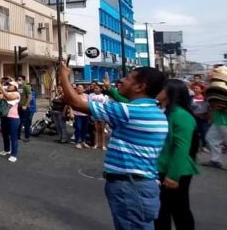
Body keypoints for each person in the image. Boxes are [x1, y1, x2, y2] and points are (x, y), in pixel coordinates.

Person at [58, 61, 168, 230]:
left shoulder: (130, 111)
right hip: (141, 184)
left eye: (128, 78)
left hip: (130, 187)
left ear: (140, 87)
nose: (121, 80)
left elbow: (78, 103)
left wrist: (64, 76)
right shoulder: (153, 111)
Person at [155, 79, 199, 230]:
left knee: (179, 210)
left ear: (169, 92)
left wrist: (173, 175)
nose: (157, 91)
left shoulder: (181, 115)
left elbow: (181, 148)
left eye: (161, 89)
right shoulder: (167, 112)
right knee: (162, 210)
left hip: (175, 170)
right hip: (163, 168)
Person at [0, 78, 21, 162]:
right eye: (8, 84)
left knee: (13, 137)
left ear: (15, 87)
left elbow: (9, 97)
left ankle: (14, 154)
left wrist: (2, 89)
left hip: (13, 118)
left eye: (10, 85)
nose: (8, 86)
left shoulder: (16, 93)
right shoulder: (6, 92)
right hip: (4, 116)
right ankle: (6, 150)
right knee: (5, 135)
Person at [189, 83, 209, 153]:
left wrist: (206, 115)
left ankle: (204, 145)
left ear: (201, 90)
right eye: (194, 88)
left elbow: (209, 108)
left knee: (204, 132)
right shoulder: (191, 98)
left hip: (203, 118)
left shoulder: (205, 98)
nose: (195, 90)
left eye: (197, 88)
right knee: (194, 132)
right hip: (193, 117)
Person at [90, 81, 108, 150]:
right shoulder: (92, 96)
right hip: (95, 114)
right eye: (94, 88)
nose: (95, 89)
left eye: (97, 88)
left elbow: (106, 105)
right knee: (96, 129)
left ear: (101, 89)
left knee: (102, 130)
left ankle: (103, 145)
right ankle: (96, 144)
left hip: (102, 114)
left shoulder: (104, 96)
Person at [71, 85, 90, 149]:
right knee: (78, 128)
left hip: (86, 115)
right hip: (77, 115)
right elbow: (71, 105)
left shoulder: (87, 96)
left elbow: (89, 104)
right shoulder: (75, 96)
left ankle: (83, 141)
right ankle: (77, 142)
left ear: (83, 89)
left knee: (85, 129)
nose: (79, 89)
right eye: (78, 88)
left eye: (80, 88)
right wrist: (72, 113)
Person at [17, 76, 33, 142]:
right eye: (18, 79)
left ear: (24, 80)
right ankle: (17, 136)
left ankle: (27, 137)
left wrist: (26, 105)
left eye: (20, 79)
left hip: (25, 107)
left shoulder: (26, 86)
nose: (18, 80)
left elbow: (30, 97)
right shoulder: (18, 87)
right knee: (19, 122)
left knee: (26, 123)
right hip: (18, 107)